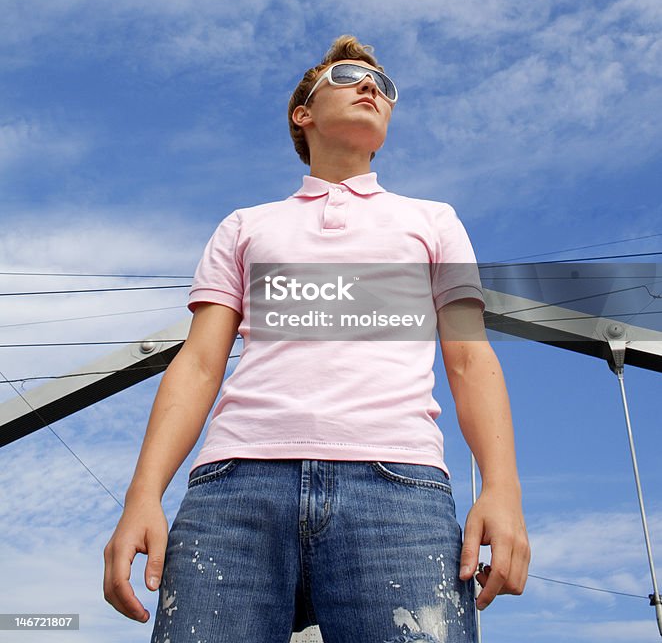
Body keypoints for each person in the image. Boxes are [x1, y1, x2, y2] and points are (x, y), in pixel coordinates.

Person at [103, 35, 530, 643]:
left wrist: (502, 490)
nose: (371, 88)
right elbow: (199, 364)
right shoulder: (245, 226)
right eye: (351, 75)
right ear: (303, 114)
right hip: (234, 491)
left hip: (399, 491)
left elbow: (468, 356)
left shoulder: (434, 221)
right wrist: (142, 497)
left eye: (384, 85)